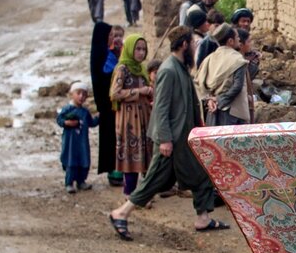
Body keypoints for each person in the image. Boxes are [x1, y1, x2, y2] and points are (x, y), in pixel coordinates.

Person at [108, 26, 228, 241]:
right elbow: (161, 108)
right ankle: (121, 213)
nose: (193, 47)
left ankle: (203, 217)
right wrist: (164, 139)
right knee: (153, 181)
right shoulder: (168, 70)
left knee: (201, 176)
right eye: (191, 43)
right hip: (170, 142)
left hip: (184, 140)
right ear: (183, 45)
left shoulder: (180, 68)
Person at [110, 34, 154, 199]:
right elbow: (114, 94)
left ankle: (143, 193)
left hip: (143, 115)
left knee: (145, 152)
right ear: (129, 49)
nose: (141, 53)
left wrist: (149, 92)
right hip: (128, 118)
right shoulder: (122, 69)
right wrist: (138, 92)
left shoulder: (141, 68)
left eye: (143, 49)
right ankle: (130, 192)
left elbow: (146, 88)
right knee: (131, 152)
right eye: (137, 49)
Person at [90, 22, 125, 186]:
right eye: (110, 35)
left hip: (110, 105)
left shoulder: (105, 52)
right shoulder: (102, 55)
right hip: (108, 106)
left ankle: (117, 172)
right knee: (112, 139)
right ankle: (114, 173)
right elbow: (109, 75)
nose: (113, 38)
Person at [197, 23, 249, 126]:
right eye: (237, 37)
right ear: (230, 41)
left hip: (212, 110)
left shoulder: (209, 59)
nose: (239, 39)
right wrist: (219, 100)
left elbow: (200, 84)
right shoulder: (238, 59)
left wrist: (210, 100)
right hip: (232, 113)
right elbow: (237, 87)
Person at [56, 82, 100, 193]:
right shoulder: (67, 109)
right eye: (78, 93)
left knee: (83, 160)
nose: (81, 96)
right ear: (72, 94)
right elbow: (59, 120)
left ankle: (81, 181)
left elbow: (91, 123)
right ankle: (69, 183)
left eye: (84, 94)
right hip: (70, 143)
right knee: (71, 161)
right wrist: (67, 123)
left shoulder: (85, 112)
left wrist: (100, 117)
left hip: (82, 143)